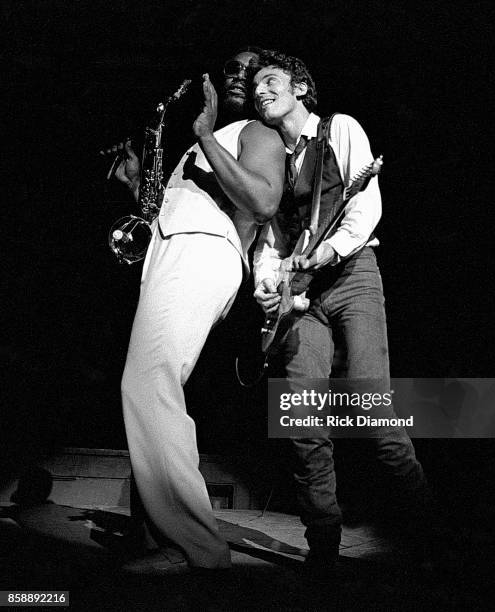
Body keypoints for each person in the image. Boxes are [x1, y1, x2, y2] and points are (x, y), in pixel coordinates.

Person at [252, 50, 432, 572]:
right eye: (256, 84)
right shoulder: (265, 156)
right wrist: (269, 284)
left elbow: (365, 203)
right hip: (299, 294)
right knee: (301, 415)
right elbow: (268, 238)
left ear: (300, 88)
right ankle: (324, 544)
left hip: (352, 277)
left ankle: (424, 532)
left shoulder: (340, 129)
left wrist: (330, 249)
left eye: (271, 80)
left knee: (373, 407)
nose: (261, 90)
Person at [113, 48, 285, 572]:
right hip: (171, 250)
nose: (236, 75)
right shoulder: (198, 144)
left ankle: (196, 548)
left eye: (248, 70)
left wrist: (209, 133)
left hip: (205, 250)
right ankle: (166, 536)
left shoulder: (257, 134)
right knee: (150, 383)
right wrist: (138, 182)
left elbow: (264, 201)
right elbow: (175, 205)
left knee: (147, 382)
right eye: (229, 67)